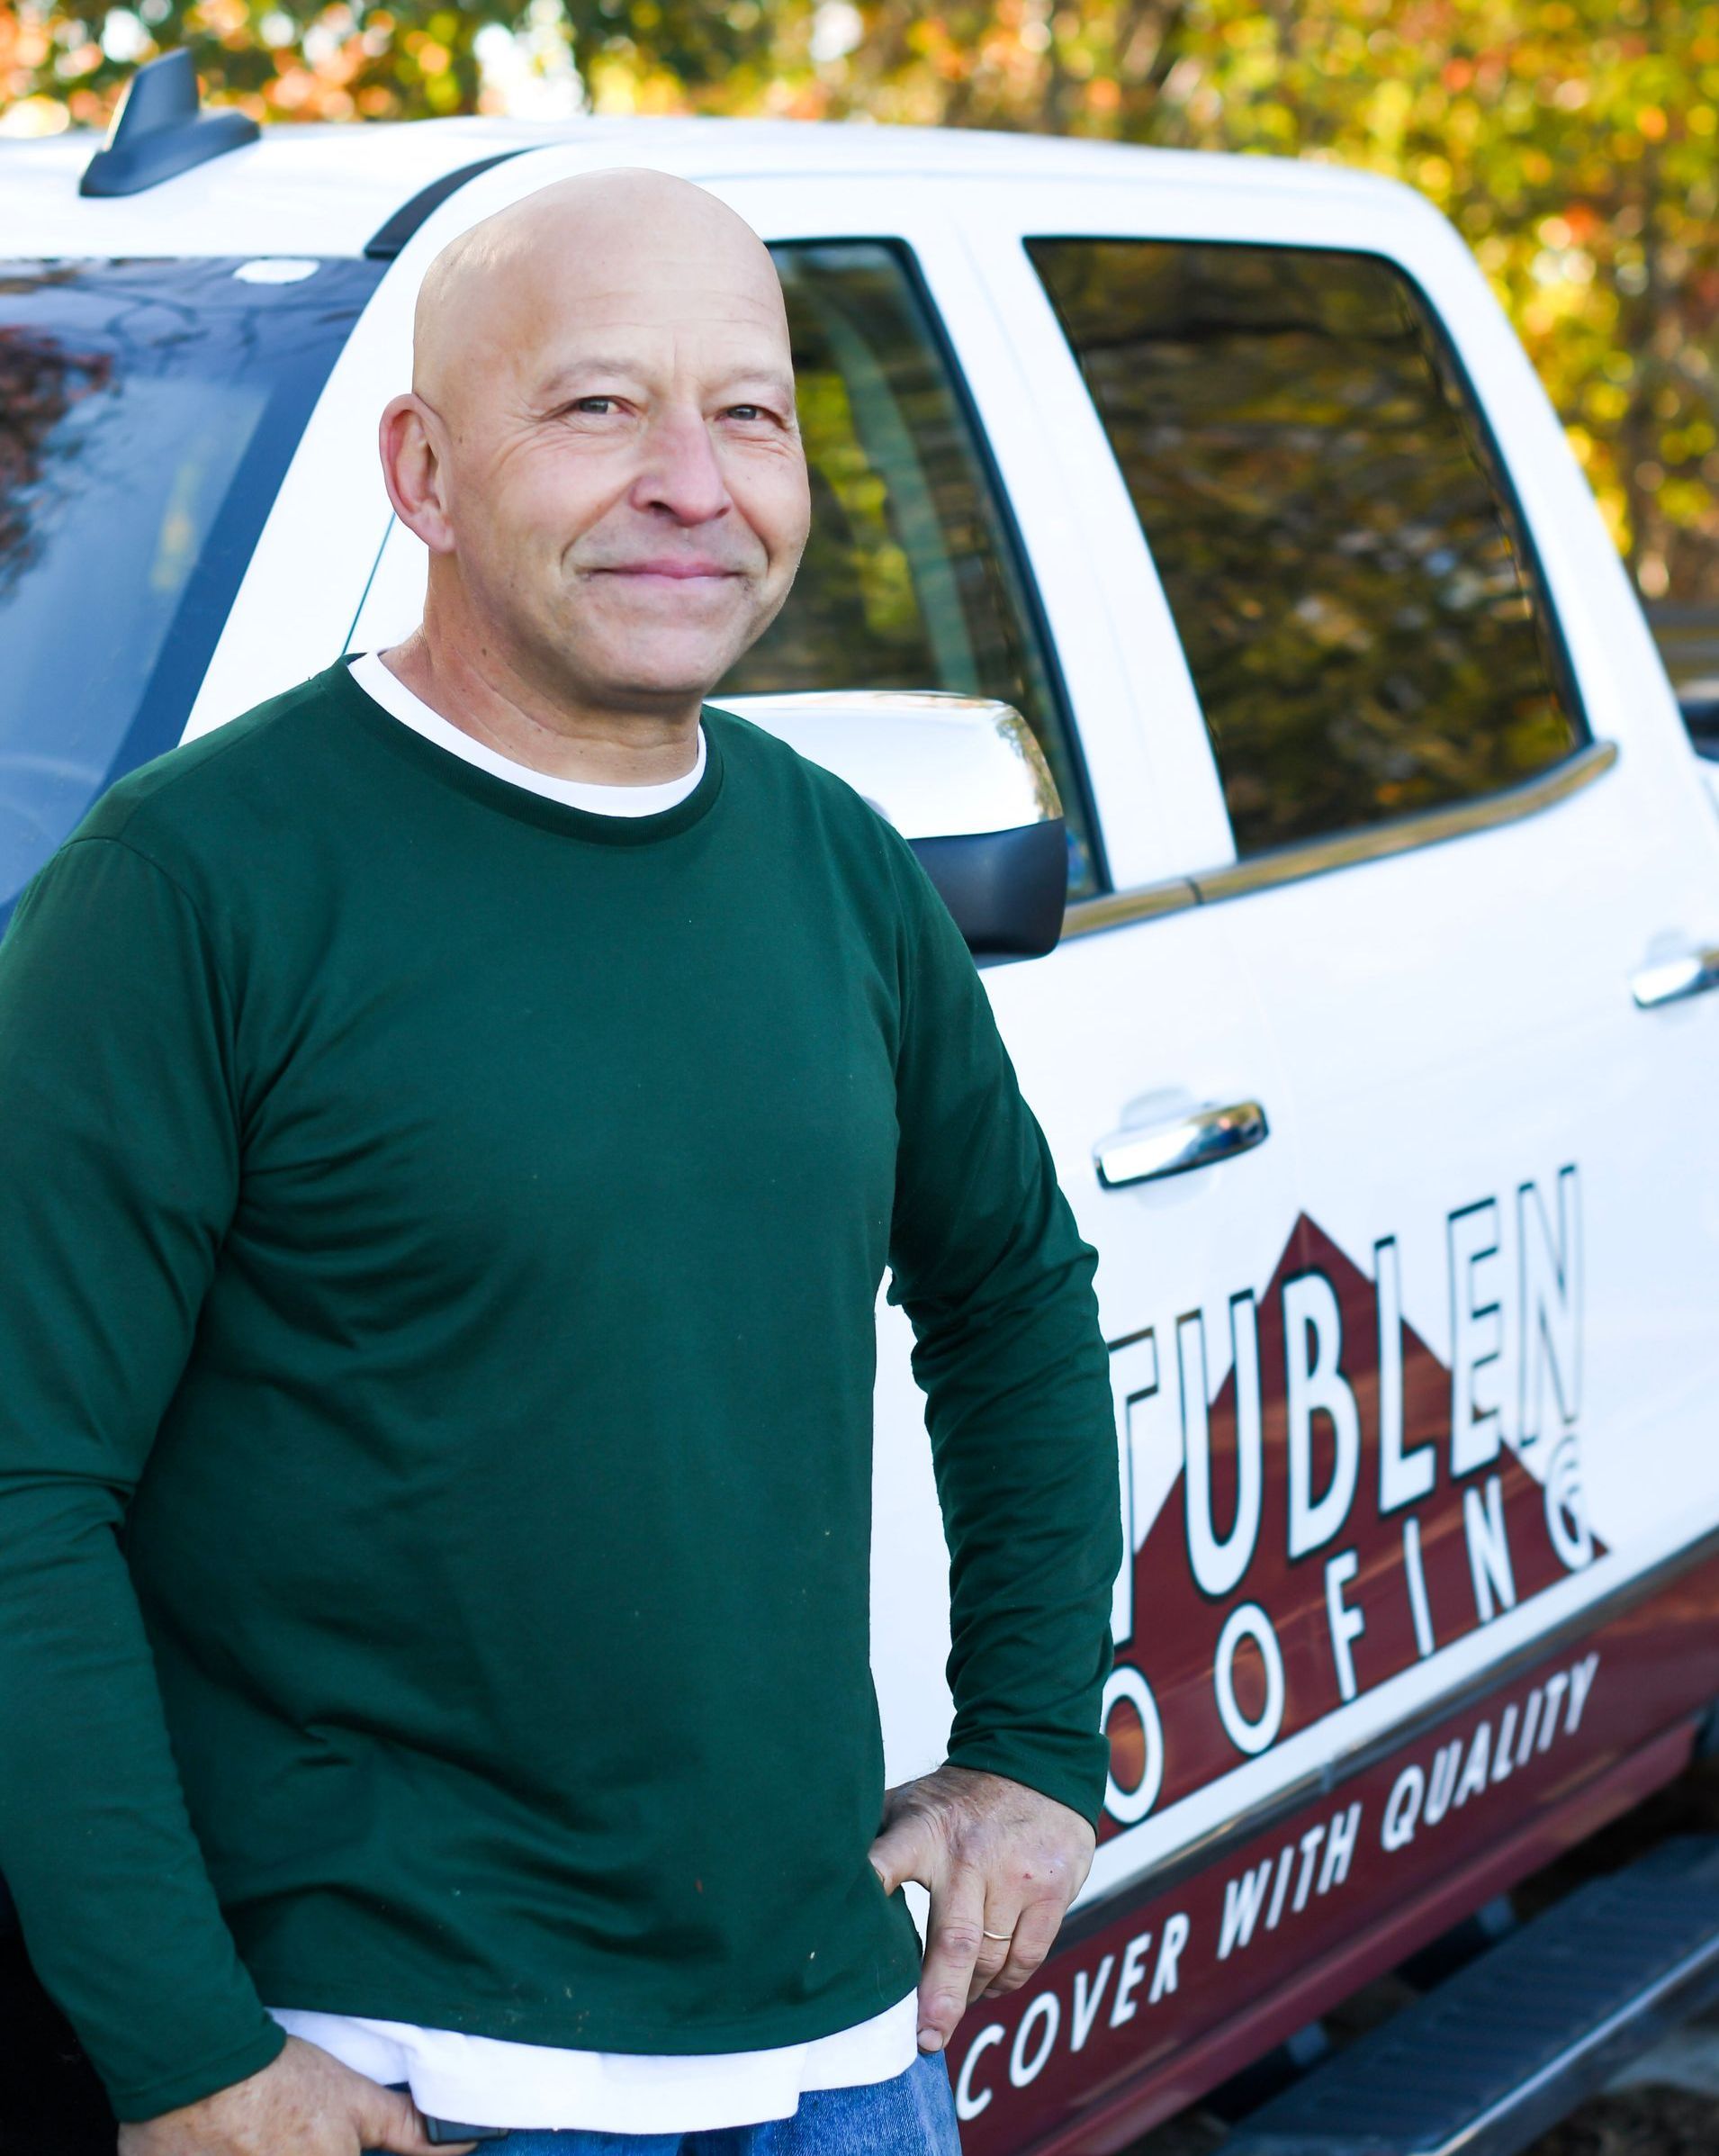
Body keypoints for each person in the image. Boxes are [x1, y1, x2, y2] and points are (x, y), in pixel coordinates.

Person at [0, 167, 1121, 2155]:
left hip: (840, 2052)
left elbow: (1013, 1290)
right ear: (424, 472)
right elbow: (18, 1487)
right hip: (400, 2078)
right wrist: (184, 2050)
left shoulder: (835, 863)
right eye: (597, 406)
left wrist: (1029, 1746)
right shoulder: (187, 892)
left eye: (749, 412)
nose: (695, 480)